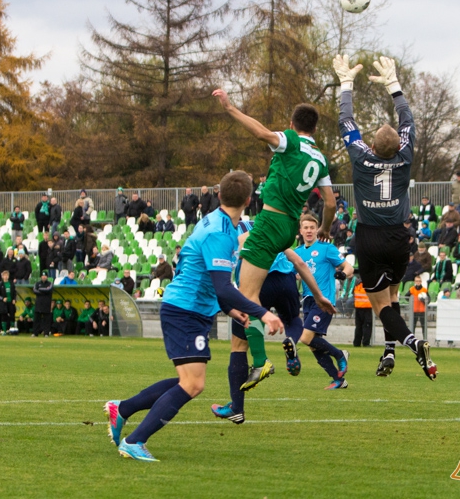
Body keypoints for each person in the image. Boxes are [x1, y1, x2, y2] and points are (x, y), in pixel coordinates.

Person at [102, 171, 283, 462]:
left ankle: (122, 409)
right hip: (184, 311)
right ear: (250, 200)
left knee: (186, 380)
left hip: (190, 310)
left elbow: (212, 282)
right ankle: (134, 441)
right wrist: (263, 313)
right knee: (193, 384)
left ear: (219, 195)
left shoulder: (221, 223)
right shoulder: (219, 233)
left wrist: (229, 309)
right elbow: (222, 285)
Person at [211, 85, 335, 391]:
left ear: (293, 125)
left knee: (246, 296)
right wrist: (325, 229)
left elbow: (262, 133)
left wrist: (230, 108)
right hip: (289, 226)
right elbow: (330, 203)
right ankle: (255, 361)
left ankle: (262, 360)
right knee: (247, 295)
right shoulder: (319, 158)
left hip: (270, 222)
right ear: (315, 128)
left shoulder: (289, 141)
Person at [333, 54, 436, 380]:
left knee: (381, 306)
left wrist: (346, 84)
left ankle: (412, 343)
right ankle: (389, 351)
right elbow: (408, 121)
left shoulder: (362, 157)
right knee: (392, 296)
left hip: (370, 237)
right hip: (399, 237)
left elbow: (346, 122)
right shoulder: (404, 157)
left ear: (373, 146)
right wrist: (394, 85)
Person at [290, 214, 354, 389]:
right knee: (312, 344)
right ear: (301, 231)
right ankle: (338, 379)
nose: (309, 231)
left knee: (306, 337)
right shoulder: (297, 253)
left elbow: (348, 266)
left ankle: (340, 354)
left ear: (317, 230)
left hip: (324, 300)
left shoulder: (326, 248)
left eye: (312, 227)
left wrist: (343, 274)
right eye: (306, 228)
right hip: (307, 300)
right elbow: (294, 274)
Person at [32, 271, 53, 337]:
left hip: (46, 304)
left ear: (47, 277)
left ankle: (46, 333)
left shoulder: (50, 283)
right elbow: (35, 290)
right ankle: (35, 333)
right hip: (38, 304)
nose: (44, 277)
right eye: (42, 276)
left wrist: (40, 290)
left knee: (46, 320)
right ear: (41, 276)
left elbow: (49, 290)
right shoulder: (37, 283)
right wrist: (44, 290)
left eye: (45, 276)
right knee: (36, 320)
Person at [352, 278, 372, 347]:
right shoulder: (368, 284)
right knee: (367, 326)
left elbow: (353, 293)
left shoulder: (357, 284)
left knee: (358, 326)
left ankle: (356, 343)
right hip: (367, 307)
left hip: (358, 307)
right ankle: (366, 343)